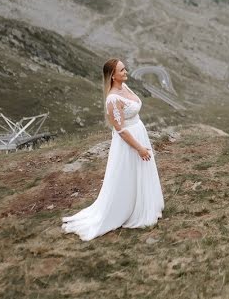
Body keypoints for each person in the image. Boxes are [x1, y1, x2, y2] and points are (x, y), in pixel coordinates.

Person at [62, 59, 164, 240]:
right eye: (122, 70)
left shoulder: (125, 88)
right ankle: (126, 210)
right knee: (127, 176)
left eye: (124, 69)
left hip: (139, 132)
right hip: (129, 142)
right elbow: (121, 130)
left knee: (140, 172)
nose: (126, 72)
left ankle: (144, 204)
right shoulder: (112, 99)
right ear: (113, 75)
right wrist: (140, 148)